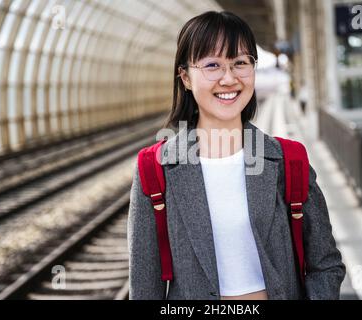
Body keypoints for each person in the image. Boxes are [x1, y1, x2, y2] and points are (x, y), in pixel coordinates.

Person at [128, 11, 345, 300]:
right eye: (212, 65)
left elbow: (326, 264)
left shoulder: (288, 160)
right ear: (185, 77)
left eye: (240, 63)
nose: (229, 79)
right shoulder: (154, 170)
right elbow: (145, 288)